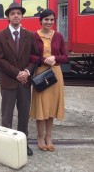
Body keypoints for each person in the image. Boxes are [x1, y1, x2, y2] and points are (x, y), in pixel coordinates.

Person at [0, 2, 38, 156]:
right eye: (13, 14)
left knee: (24, 115)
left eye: (18, 13)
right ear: (8, 17)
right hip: (8, 82)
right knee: (6, 116)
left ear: (22, 16)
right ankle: (6, 146)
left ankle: (23, 144)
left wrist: (27, 71)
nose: (16, 16)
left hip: (25, 82)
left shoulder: (29, 35)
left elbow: (35, 58)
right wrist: (18, 73)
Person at [30, 9, 68, 152]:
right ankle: (40, 137)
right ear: (41, 21)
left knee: (51, 107)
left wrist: (55, 58)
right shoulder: (34, 36)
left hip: (55, 74)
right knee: (41, 106)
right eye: (46, 19)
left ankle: (49, 137)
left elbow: (65, 57)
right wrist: (43, 59)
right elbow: (29, 56)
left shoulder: (58, 36)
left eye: (52, 19)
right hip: (41, 73)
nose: (49, 22)